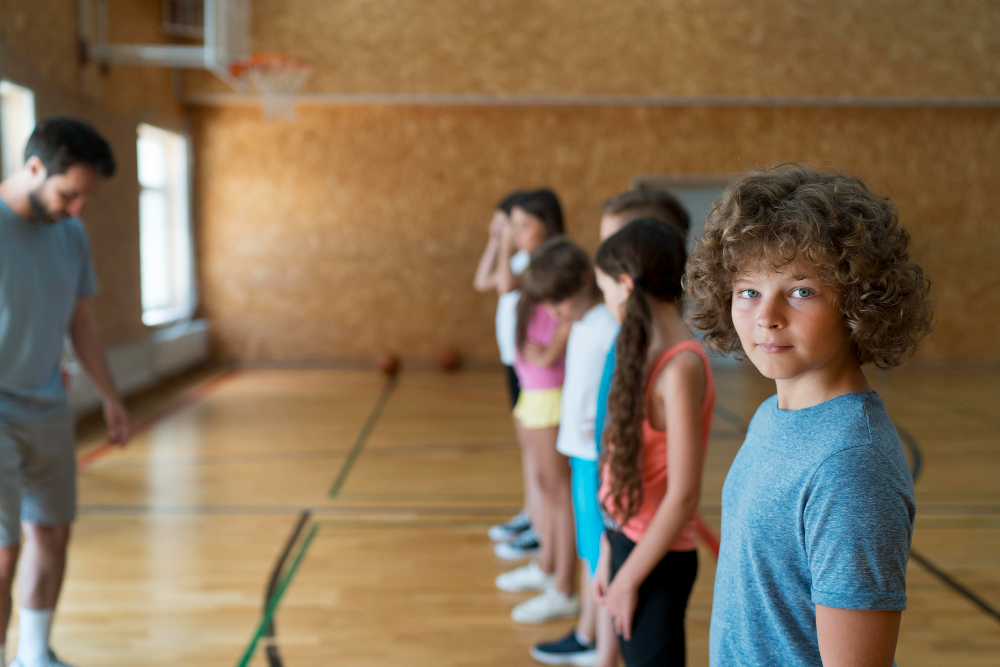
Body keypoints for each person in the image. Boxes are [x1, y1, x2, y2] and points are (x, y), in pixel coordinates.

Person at [684, 164, 933, 667]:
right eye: (749, 291)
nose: (766, 315)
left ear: (858, 303)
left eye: (801, 290)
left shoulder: (850, 467)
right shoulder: (770, 414)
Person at [0, 117, 132, 667]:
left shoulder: (70, 234)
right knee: (3, 551)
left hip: (47, 407)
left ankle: (34, 655)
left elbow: (82, 324)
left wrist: (110, 395)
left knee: (52, 533)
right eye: (69, 193)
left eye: (84, 198)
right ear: (34, 168)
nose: (76, 208)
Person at [593, 219, 716, 665]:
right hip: (626, 542)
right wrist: (610, 547)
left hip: (657, 558)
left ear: (626, 285)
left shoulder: (682, 367)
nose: (607, 304)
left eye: (605, 291)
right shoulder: (641, 349)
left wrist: (629, 579)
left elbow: (683, 496)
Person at [519, 239, 618, 665]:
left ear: (583, 281)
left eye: (561, 300)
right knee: (588, 549)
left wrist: (605, 423)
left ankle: (599, 643)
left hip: (597, 457)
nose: (557, 311)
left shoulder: (607, 324)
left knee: (600, 554)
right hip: (579, 453)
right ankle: (586, 633)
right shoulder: (581, 321)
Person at [474, 190, 537, 547]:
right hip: (512, 360)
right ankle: (531, 512)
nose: (513, 232)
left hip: (528, 365)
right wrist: (495, 238)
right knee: (526, 444)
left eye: (518, 225)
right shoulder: (515, 260)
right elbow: (482, 280)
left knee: (533, 446)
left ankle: (537, 519)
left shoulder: (533, 262)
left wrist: (504, 238)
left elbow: (502, 284)